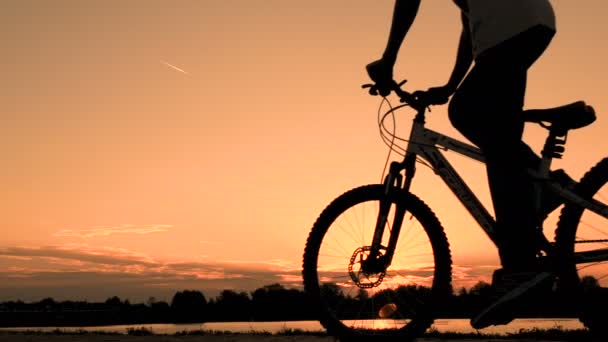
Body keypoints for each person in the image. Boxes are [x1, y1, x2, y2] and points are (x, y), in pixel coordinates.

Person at [366, 0, 573, 328]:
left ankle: (520, 266)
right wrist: (451, 85)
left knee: (471, 117)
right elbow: (471, 26)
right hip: (532, 21)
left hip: (510, 27)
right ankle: (547, 189)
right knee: (493, 131)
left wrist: (388, 60)